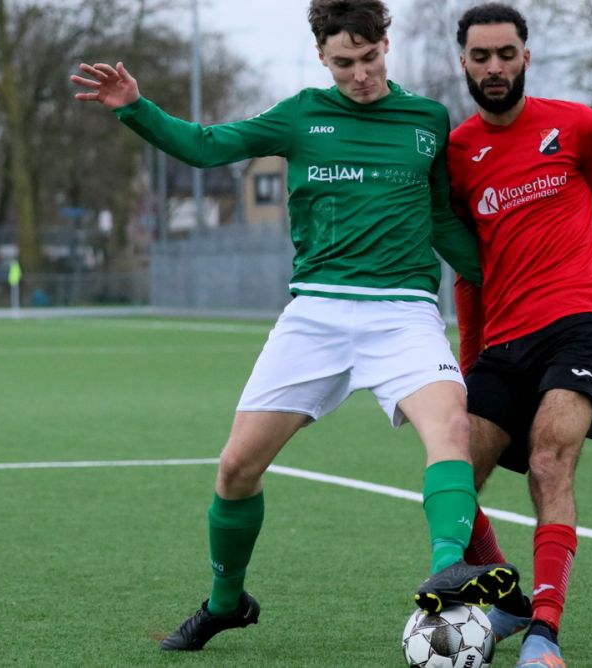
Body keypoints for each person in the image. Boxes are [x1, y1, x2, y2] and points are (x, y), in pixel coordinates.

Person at [72, 0, 521, 652]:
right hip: (316, 314)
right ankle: (227, 602)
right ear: (322, 57)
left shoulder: (426, 121)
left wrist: (504, 282)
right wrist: (134, 107)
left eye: (370, 58)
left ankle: (448, 569)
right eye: (345, 63)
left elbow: (442, 221)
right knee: (235, 469)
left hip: (404, 314)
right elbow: (205, 147)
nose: (361, 74)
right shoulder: (300, 115)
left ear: (385, 43)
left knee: (451, 425)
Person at [448, 4, 592, 666]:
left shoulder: (581, 127)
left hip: (578, 326)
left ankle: (543, 636)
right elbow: (469, 273)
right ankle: (509, 602)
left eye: (506, 54)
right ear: (463, 62)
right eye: (482, 56)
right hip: (503, 343)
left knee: (551, 461)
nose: (495, 67)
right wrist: (472, 364)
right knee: (452, 479)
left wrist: (591, 298)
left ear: (527, 56)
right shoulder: (460, 153)